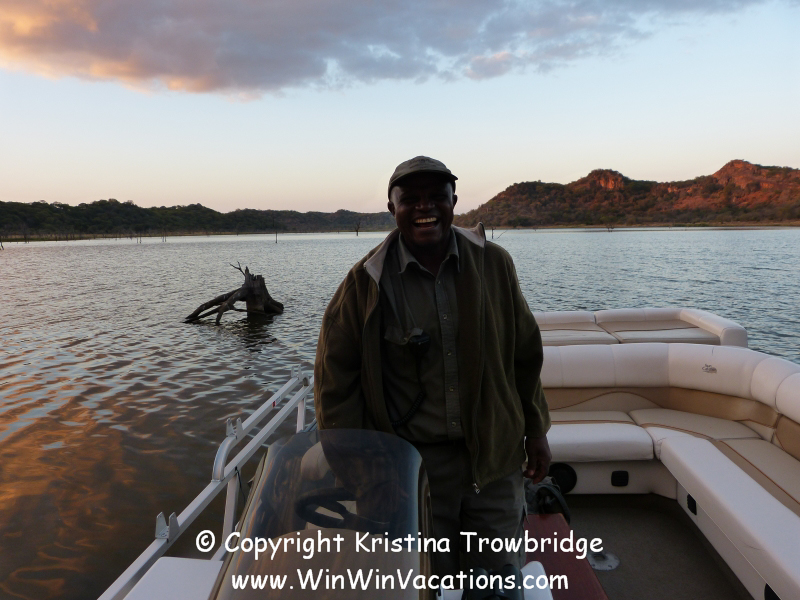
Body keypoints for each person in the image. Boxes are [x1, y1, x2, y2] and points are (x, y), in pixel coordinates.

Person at [314, 156, 551, 576]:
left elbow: (524, 354)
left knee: (499, 580)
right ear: (392, 208)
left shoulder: (495, 265)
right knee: (423, 581)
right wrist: (368, 478)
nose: (425, 207)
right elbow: (336, 393)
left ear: (454, 202)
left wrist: (536, 430)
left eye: (437, 196)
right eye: (411, 199)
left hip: (494, 459)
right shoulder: (364, 284)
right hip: (412, 472)